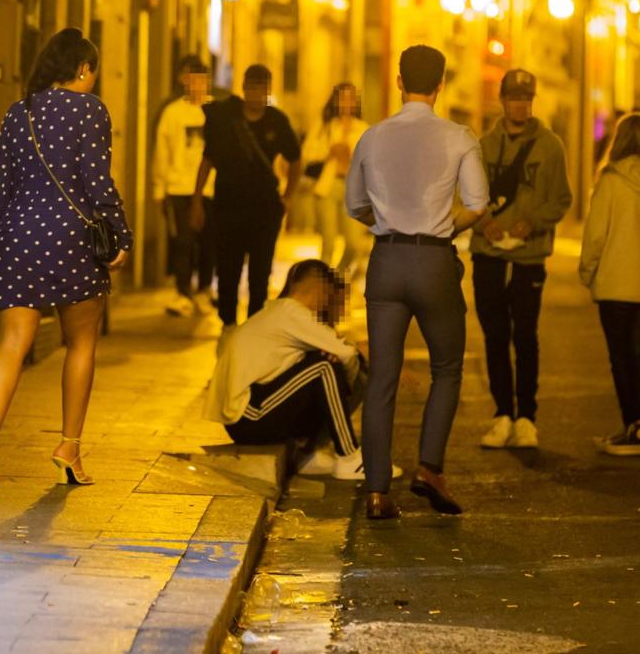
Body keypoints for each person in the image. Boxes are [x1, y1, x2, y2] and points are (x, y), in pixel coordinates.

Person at [0, 28, 132, 488]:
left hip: (18, 237)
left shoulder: (17, 112)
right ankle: (68, 448)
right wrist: (119, 234)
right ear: (83, 69)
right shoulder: (90, 110)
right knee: (80, 343)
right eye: (92, 73)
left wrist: (7, 238)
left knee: (11, 342)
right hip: (73, 238)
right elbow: (96, 180)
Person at [346, 45, 489, 520]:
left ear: (399, 81)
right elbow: (477, 203)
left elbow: (354, 205)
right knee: (446, 367)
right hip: (433, 261)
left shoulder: (372, 136)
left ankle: (376, 490)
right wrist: (444, 226)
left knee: (382, 376)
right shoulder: (459, 137)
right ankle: (429, 467)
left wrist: (387, 221)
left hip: (386, 261)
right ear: (441, 84)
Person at [204, 260, 391, 480]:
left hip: (250, 412)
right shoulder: (292, 313)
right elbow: (347, 354)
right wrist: (348, 385)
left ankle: (310, 454)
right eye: (327, 297)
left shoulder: (277, 310)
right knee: (324, 367)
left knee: (321, 362)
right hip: (249, 416)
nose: (325, 306)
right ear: (321, 289)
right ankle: (349, 456)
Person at [469, 69, 572, 450]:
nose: (521, 105)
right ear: (502, 100)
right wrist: (485, 224)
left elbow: (561, 198)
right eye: (514, 98)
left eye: (527, 99)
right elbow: (468, 195)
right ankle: (502, 414)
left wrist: (535, 223)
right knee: (495, 334)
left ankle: (527, 415)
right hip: (489, 255)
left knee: (526, 335)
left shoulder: (550, 146)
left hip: (529, 256)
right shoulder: (482, 145)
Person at [580, 113, 640, 456]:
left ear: (619, 140)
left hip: (615, 282)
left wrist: (587, 270)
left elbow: (595, 235)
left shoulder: (610, 180)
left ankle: (629, 428)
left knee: (620, 357)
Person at [192, 64, 302, 326]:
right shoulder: (226, 119)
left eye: (261, 88)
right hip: (228, 206)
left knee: (260, 272)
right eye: (251, 87)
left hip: (264, 208)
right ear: (243, 89)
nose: (256, 94)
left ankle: (254, 324)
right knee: (228, 268)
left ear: (268, 90)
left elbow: (295, 159)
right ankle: (228, 324)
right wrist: (197, 200)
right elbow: (207, 160)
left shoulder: (277, 121)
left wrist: (288, 197)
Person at [153, 56, 215, 317]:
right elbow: (162, 152)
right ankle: (183, 293)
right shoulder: (172, 113)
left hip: (212, 188)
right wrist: (159, 188)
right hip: (179, 187)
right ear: (182, 80)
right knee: (183, 242)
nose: (196, 83)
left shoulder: (216, 110)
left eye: (201, 78)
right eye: (190, 77)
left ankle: (204, 289)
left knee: (209, 242)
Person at [302, 82, 371, 278]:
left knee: (353, 244)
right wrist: (329, 151)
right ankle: (321, 289)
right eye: (342, 98)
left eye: (350, 98)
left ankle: (337, 278)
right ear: (335, 101)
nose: (346, 102)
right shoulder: (325, 125)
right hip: (328, 186)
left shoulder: (363, 128)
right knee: (328, 243)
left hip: (353, 190)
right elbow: (307, 151)